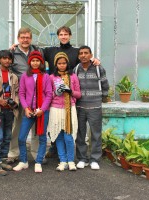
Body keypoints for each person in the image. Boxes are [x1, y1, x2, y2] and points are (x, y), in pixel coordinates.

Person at [43, 26, 101, 158]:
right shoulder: (50, 51)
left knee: (70, 124)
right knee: (55, 122)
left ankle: (68, 152)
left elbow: (85, 57)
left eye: (66, 34)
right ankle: (54, 148)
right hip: (56, 94)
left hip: (71, 93)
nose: (63, 36)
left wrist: (94, 60)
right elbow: (33, 51)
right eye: (61, 34)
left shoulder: (76, 52)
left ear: (70, 36)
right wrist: (16, 46)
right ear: (58, 36)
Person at [7, 27, 45, 164]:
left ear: (31, 38)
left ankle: (36, 153)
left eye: (27, 37)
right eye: (22, 37)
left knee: (36, 124)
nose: (25, 40)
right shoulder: (12, 52)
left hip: (37, 95)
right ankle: (13, 152)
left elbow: (42, 68)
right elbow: (8, 69)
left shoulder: (38, 50)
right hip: (20, 94)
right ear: (18, 39)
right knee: (17, 124)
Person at [13, 51, 52, 173]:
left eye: (37, 61)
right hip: (29, 111)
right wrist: (26, 108)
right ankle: (23, 161)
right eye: (33, 61)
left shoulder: (45, 76)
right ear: (30, 62)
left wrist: (43, 109)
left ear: (41, 62)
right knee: (21, 137)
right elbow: (22, 93)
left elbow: (49, 94)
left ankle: (39, 161)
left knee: (42, 137)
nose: (35, 63)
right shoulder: (25, 76)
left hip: (42, 111)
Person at [74, 46, 109, 170]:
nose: (83, 55)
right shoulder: (76, 69)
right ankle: (82, 158)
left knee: (96, 133)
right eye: (81, 53)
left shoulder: (98, 68)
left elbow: (105, 84)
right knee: (80, 133)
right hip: (80, 106)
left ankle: (94, 159)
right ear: (78, 56)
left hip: (95, 106)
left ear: (91, 55)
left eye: (86, 53)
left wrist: (102, 98)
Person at [47, 52, 81, 171]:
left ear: (67, 63)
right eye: (59, 63)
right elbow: (48, 94)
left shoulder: (73, 76)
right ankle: (62, 161)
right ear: (56, 64)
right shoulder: (51, 77)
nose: (62, 65)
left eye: (64, 63)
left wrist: (70, 91)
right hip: (56, 109)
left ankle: (71, 160)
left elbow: (78, 94)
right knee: (59, 136)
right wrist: (56, 92)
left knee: (69, 136)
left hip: (69, 109)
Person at [0, 50, 19, 176]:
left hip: (9, 111)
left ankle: (3, 160)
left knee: (7, 137)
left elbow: (16, 93)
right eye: (4, 58)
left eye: (9, 58)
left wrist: (15, 103)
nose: (7, 60)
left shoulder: (14, 76)